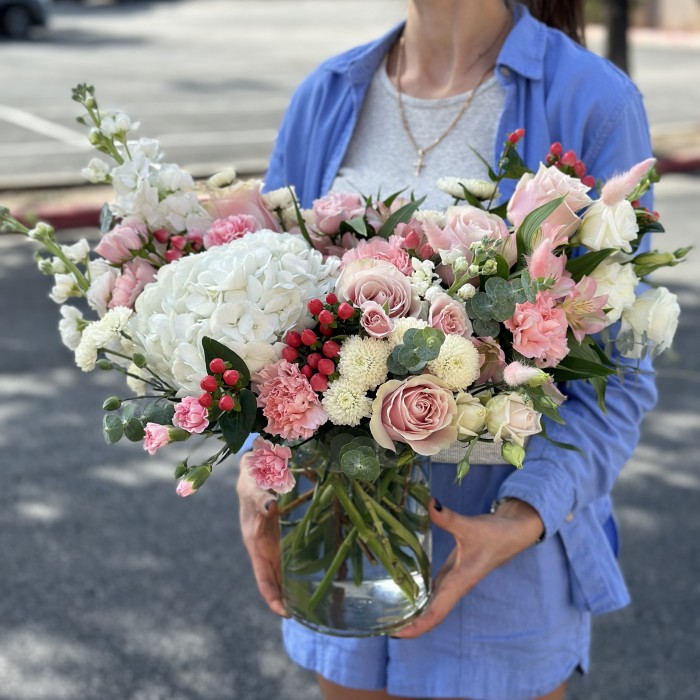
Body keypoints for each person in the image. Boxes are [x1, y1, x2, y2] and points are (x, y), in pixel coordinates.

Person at [236, 2, 658, 699]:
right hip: (340, 542)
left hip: (505, 571)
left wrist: (518, 520)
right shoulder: (325, 94)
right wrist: (260, 469)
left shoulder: (593, 100)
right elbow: (270, 327)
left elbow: (622, 378)